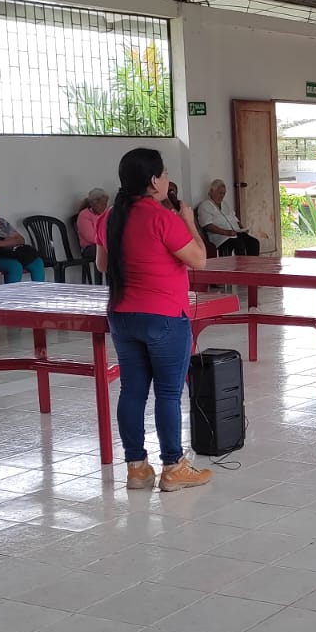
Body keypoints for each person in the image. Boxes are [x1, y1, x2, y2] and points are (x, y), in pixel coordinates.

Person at [96, 148, 212, 493]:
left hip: (122, 317)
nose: (166, 179)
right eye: (164, 174)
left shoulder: (109, 217)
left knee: (132, 391)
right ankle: (173, 467)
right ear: (153, 181)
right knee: (167, 393)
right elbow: (199, 259)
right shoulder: (163, 218)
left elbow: (102, 265)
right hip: (164, 317)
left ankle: (136, 469)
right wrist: (188, 220)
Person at [195, 179, 259, 256]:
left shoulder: (225, 204)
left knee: (254, 242)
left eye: (224, 193)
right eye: (220, 193)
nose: (222, 196)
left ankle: (251, 263)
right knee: (239, 244)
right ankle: (241, 264)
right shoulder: (204, 206)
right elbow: (207, 226)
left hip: (236, 233)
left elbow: (235, 219)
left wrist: (242, 229)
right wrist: (226, 232)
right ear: (211, 191)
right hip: (222, 237)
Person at [77, 188, 108, 259]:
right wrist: (108, 240)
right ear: (92, 204)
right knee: (110, 250)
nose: (104, 207)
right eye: (101, 204)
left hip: (104, 243)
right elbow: (91, 237)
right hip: (89, 247)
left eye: (105, 204)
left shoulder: (106, 213)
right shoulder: (84, 215)